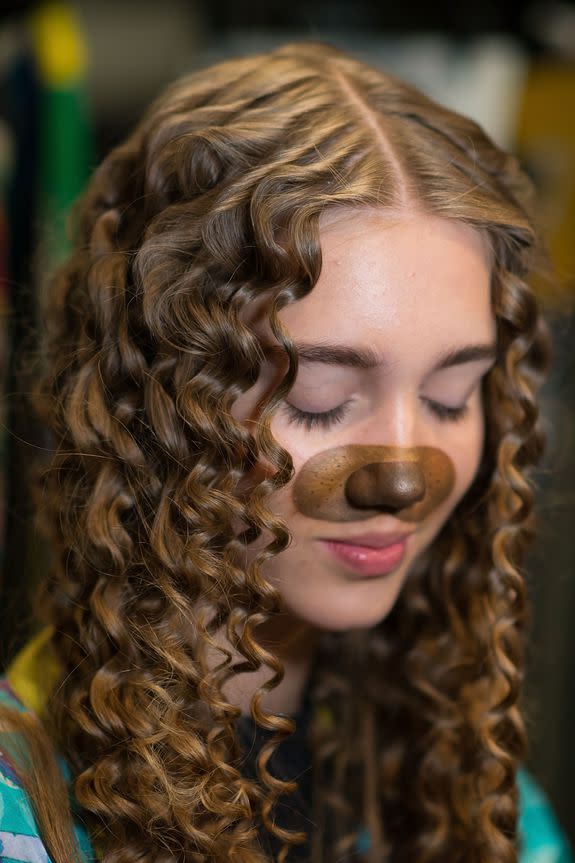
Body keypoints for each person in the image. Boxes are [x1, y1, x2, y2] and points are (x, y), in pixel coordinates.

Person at [0, 40, 572, 863]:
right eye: (318, 399)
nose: (404, 473)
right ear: (152, 403)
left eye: (452, 395)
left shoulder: (463, 788)